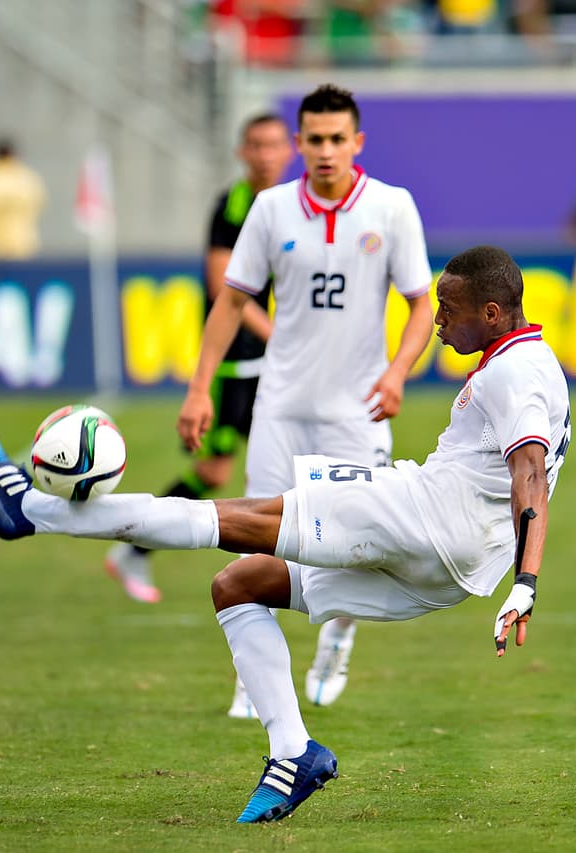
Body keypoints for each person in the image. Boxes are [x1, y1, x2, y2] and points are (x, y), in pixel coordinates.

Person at [0, 244, 573, 824]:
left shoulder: (514, 374)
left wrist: (528, 582)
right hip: (457, 569)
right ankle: (294, 753)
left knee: (228, 519)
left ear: (491, 313)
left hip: (424, 515)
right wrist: (513, 575)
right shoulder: (533, 364)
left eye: (449, 308)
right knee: (239, 584)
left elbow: (530, 473)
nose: (437, 320)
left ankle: (30, 510)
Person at [182, 84, 436, 718]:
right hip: (281, 408)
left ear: (357, 143)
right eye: (314, 140)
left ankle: (339, 636)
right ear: (299, 144)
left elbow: (421, 304)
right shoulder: (270, 210)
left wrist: (399, 372)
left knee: (364, 544)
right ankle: (253, 676)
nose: (325, 151)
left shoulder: (391, 208)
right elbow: (232, 301)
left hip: (357, 414)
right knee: (252, 547)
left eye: (336, 139)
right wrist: (197, 388)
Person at [106, 113, 294, 606]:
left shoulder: (287, 203)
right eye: (255, 144)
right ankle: (137, 545)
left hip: (268, 358)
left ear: (288, 150)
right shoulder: (232, 206)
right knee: (216, 471)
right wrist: (278, 335)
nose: (264, 154)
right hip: (234, 356)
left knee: (286, 460)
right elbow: (222, 286)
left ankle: (295, 564)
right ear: (241, 152)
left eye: (273, 144)